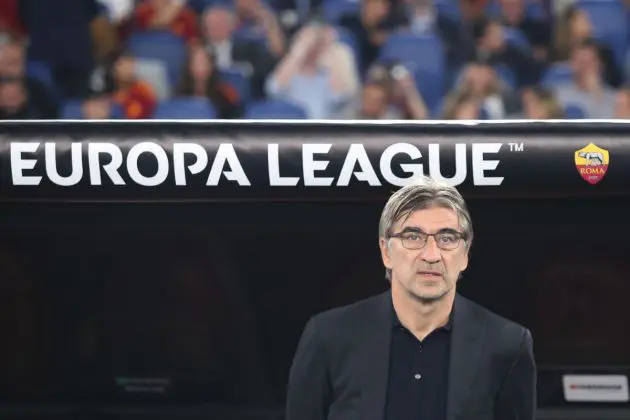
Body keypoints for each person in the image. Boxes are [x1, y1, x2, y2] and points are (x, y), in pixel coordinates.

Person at [286, 175, 536, 420]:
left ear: (465, 254)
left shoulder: (507, 345)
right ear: (386, 251)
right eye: (413, 237)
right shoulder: (328, 336)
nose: (431, 254)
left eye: (447, 238)